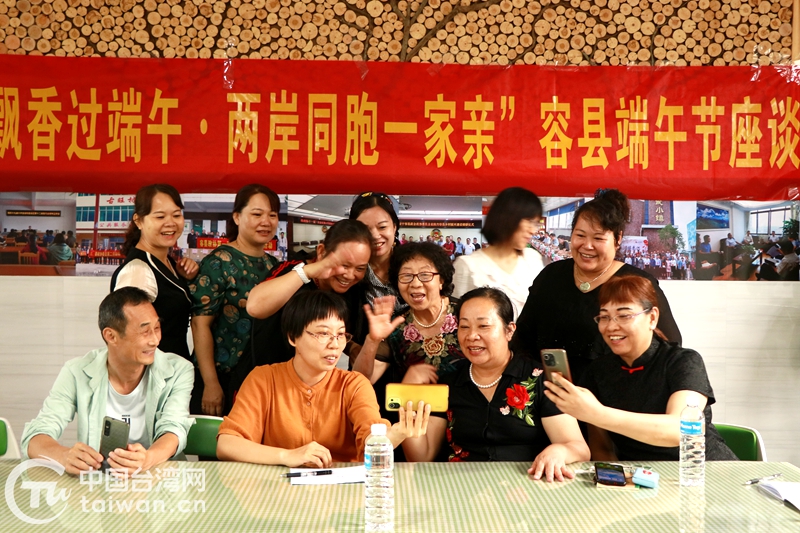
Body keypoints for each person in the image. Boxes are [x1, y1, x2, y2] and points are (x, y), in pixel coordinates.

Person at [216, 291, 430, 466]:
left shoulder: (354, 384)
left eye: (340, 335)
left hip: (342, 496)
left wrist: (396, 434)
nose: (334, 344)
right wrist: (286, 456)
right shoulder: (263, 379)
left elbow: (371, 440)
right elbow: (227, 444)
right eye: (323, 334)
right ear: (293, 337)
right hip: (279, 494)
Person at [401, 288, 589, 480]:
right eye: (464, 326)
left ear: (509, 331)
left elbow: (578, 447)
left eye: (483, 326)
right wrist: (408, 392)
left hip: (527, 487)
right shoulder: (448, 383)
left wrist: (558, 451)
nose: (472, 336)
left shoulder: (541, 380)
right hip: (462, 487)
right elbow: (420, 456)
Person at [544, 275, 736, 461]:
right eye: (604, 317)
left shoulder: (683, 361)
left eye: (624, 316)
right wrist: (615, 477)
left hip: (702, 469)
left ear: (652, 318)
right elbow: (601, 448)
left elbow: (680, 430)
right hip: (640, 477)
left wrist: (596, 413)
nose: (611, 327)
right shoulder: (598, 371)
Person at [511, 189, 681, 383]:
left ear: (617, 239)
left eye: (598, 238)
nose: (587, 245)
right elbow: (523, 335)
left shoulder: (637, 283)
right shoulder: (551, 276)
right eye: (580, 235)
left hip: (613, 396)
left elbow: (669, 347)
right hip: (551, 393)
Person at [21, 287, 194, 476]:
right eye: (145, 331)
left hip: (158, 479)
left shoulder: (179, 370)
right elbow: (35, 437)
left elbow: (174, 429)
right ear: (111, 336)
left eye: (157, 328)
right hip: (98, 483)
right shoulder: (76, 371)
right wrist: (63, 456)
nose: (155, 340)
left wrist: (147, 459)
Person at [189, 184, 281, 416]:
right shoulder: (218, 262)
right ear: (237, 217)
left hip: (259, 382)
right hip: (221, 378)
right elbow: (200, 324)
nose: (266, 222)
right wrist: (211, 383)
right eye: (257, 214)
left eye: (272, 215)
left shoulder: (274, 266)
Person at [246, 219, 373, 366]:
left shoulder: (353, 291)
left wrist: (351, 347)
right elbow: (254, 307)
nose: (350, 275)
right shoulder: (291, 270)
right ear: (321, 251)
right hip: (266, 372)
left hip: (310, 377)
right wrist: (307, 272)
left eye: (360, 268)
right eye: (344, 265)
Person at [353, 242, 464, 385]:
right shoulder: (396, 326)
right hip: (414, 399)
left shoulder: (463, 313)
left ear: (441, 280)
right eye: (406, 275)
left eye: (425, 275)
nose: (415, 284)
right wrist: (372, 340)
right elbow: (360, 382)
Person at [111, 184, 198, 360]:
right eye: (160, 216)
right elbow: (128, 338)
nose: (171, 223)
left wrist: (187, 279)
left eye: (176, 215)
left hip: (175, 369)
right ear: (139, 221)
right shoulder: (138, 271)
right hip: (155, 373)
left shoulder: (168, 263)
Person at [453, 187, 544, 320]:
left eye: (536, 224)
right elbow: (457, 319)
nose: (533, 230)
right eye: (530, 222)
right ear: (509, 218)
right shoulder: (468, 266)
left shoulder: (533, 259)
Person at [348, 192, 406, 314]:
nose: (374, 236)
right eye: (365, 229)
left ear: (394, 227)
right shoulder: (349, 273)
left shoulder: (413, 261)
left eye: (382, 227)